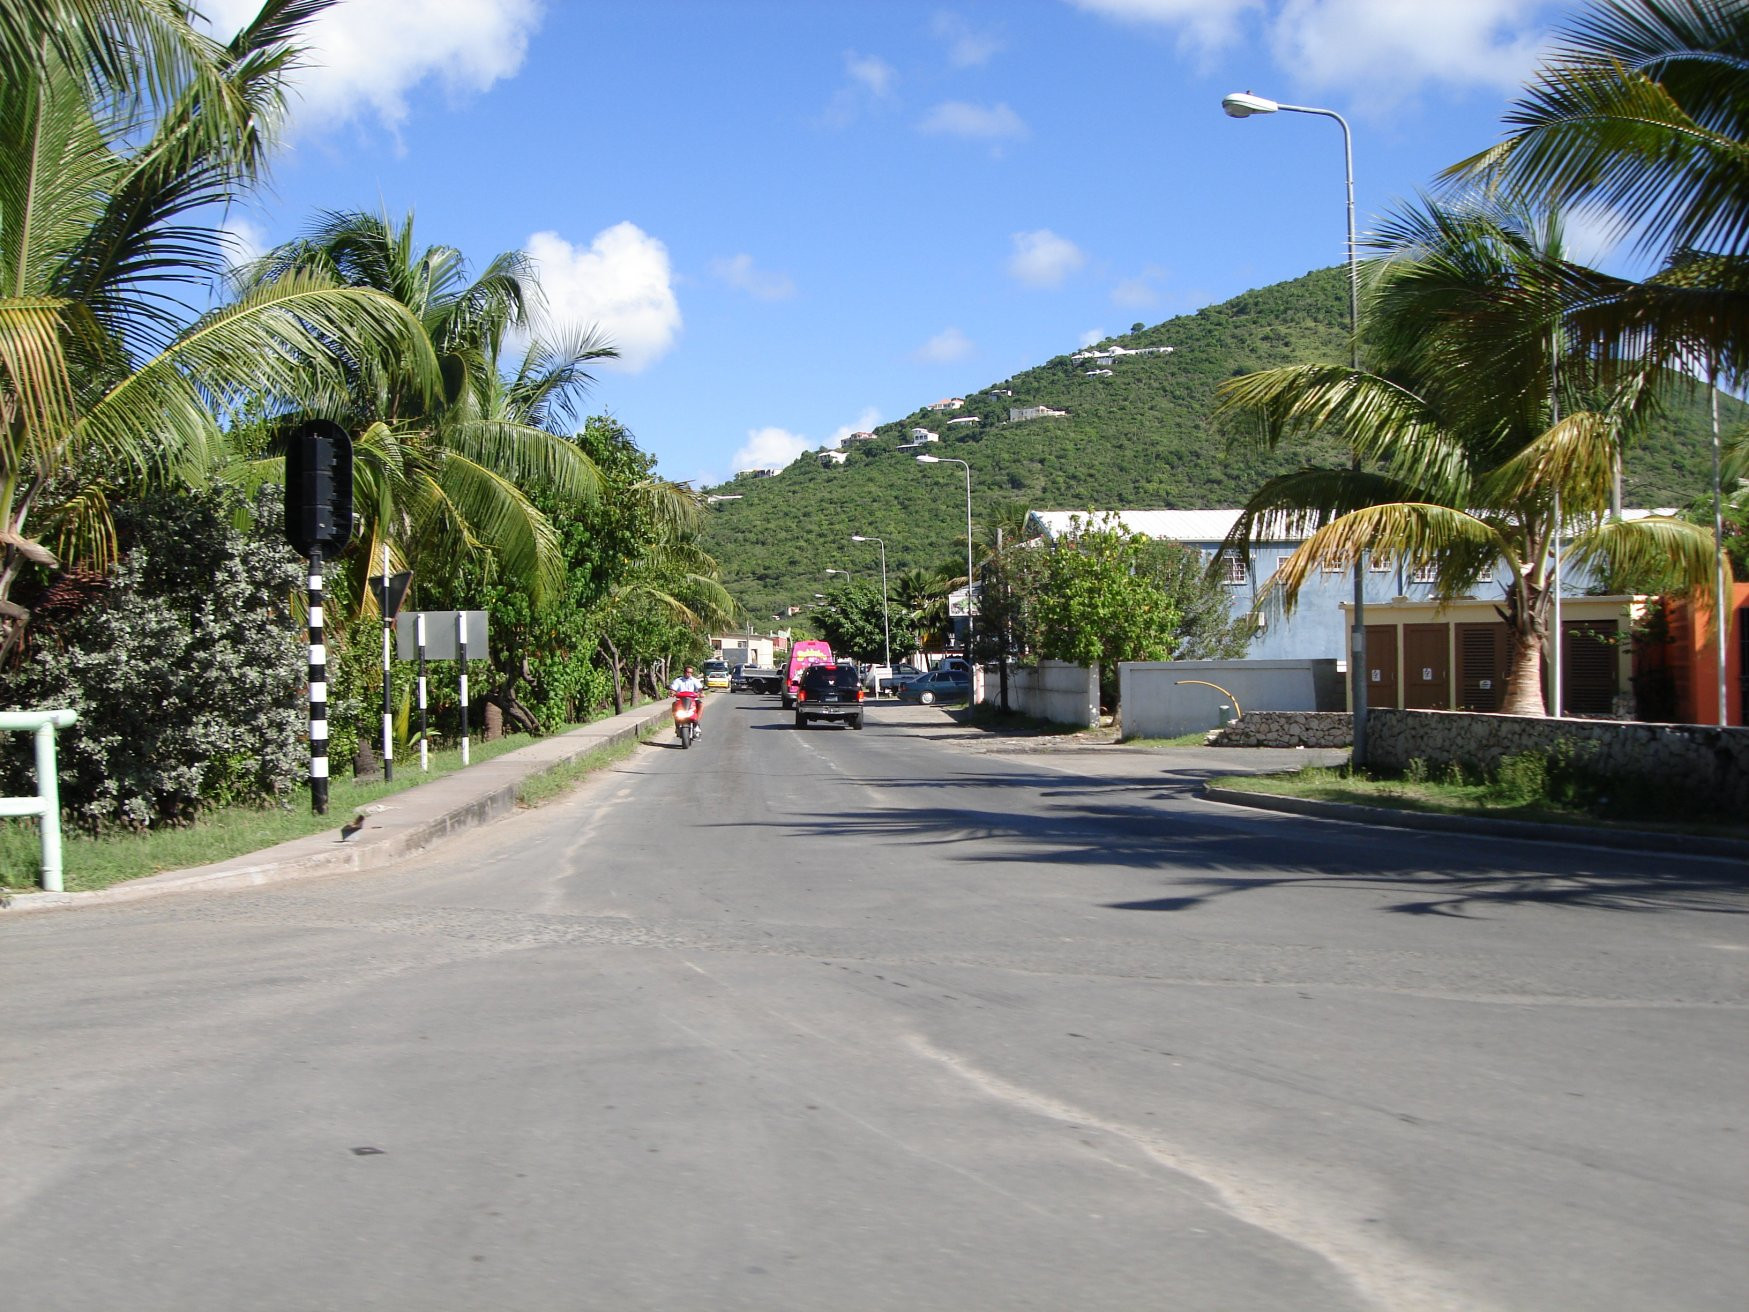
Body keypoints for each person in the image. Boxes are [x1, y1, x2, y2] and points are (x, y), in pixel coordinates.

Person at [670, 664, 705, 737]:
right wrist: (672, 692)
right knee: (674, 704)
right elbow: (673, 689)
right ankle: (677, 725)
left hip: (693, 700)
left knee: (701, 704)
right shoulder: (678, 681)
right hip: (681, 700)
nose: (689, 674)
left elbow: (700, 689)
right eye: (687, 672)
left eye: (691, 672)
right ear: (684, 672)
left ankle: (696, 722)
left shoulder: (694, 680)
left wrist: (701, 693)